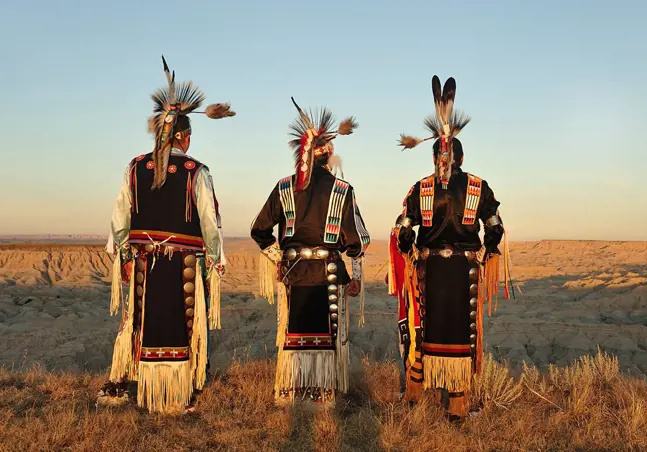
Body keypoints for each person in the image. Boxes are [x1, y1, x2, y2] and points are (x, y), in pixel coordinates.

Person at [98, 56, 235, 415]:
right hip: (184, 265)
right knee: (181, 325)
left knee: (143, 322)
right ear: (185, 136)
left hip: (145, 263)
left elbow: (119, 218)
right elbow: (209, 219)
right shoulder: (196, 171)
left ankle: (145, 388)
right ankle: (176, 394)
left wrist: (124, 254)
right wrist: (216, 259)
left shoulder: (135, 167)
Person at [387, 75, 511, 421]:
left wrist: (408, 246)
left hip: (429, 270)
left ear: (438, 155)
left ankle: (414, 396)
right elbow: (495, 225)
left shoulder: (421, 188)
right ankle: (456, 405)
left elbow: (404, 228)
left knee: (422, 327)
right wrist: (488, 248)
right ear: (459, 155)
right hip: (464, 271)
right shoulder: (478, 186)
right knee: (461, 332)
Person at [251, 97, 370, 407]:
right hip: (328, 273)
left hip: (294, 273)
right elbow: (357, 240)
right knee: (327, 333)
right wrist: (355, 275)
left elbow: (259, 230)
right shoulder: (342, 191)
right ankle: (322, 391)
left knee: (293, 329)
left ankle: (293, 389)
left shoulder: (283, 187)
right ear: (328, 155)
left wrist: (280, 259)